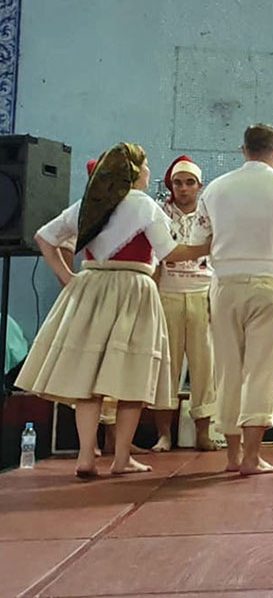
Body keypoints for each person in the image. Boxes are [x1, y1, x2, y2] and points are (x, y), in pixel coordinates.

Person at [171, 124, 273, 475]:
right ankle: (251, 456)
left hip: (225, 284)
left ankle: (231, 455)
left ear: (243, 150)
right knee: (262, 371)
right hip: (272, 283)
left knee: (227, 369)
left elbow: (200, 238)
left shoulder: (215, 189)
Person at [17, 143, 176, 478]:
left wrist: (67, 277)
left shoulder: (92, 202)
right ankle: (121, 458)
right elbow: (169, 252)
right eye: (146, 166)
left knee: (87, 376)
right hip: (133, 287)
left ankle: (86, 455)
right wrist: (210, 244)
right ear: (134, 172)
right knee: (133, 374)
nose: (149, 172)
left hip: (91, 287)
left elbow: (44, 237)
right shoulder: (144, 205)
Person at [153, 156, 218, 452]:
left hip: (202, 293)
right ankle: (164, 434)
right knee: (167, 366)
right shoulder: (158, 214)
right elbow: (159, 257)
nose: (183, 188)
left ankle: (203, 432)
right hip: (168, 294)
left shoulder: (210, 215)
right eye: (178, 182)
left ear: (199, 186)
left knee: (204, 366)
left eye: (190, 182)